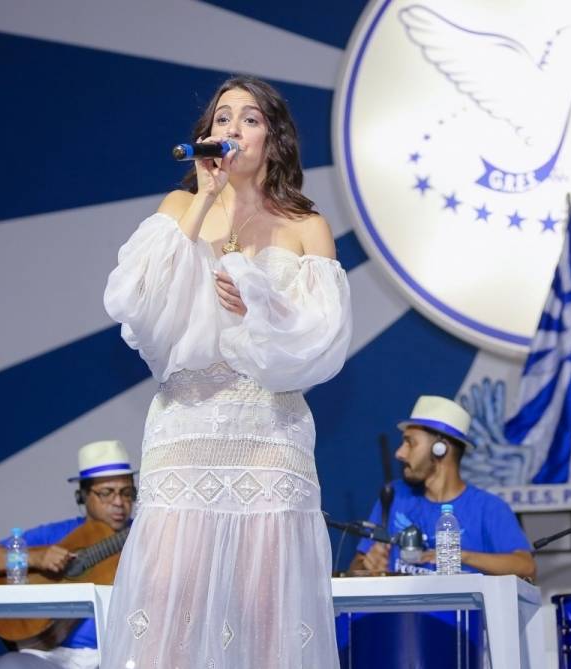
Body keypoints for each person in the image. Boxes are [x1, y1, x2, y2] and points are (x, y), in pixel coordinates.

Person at [100, 75, 351, 668]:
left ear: (274, 138)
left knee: (266, 612)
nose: (231, 128)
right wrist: (206, 199)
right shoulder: (180, 206)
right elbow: (136, 302)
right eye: (221, 118)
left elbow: (321, 342)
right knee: (166, 605)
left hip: (267, 431)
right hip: (185, 429)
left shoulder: (305, 225)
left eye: (249, 118)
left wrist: (260, 305)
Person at [0, 440, 136, 669]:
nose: (118, 502)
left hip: (120, 654)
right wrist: (33, 558)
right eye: (106, 493)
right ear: (82, 496)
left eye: (126, 493)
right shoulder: (56, 534)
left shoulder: (146, 536)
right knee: (10, 665)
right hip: (51, 656)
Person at [350, 395, 535, 578]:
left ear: (441, 448)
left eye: (410, 443)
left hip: (462, 609)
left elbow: (526, 567)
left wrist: (460, 556)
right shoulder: (393, 495)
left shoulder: (488, 508)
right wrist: (366, 566)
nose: (399, 453)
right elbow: (354, 570)